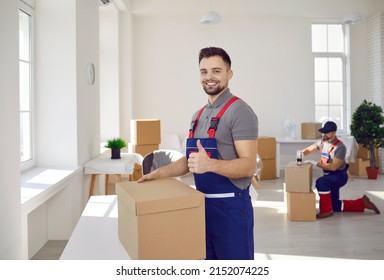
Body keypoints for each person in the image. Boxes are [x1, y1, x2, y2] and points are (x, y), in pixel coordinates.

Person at [138, 47, 259, 260]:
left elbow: (249, 166)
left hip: (231, 208)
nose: (209, 77)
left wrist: (211, 165)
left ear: (229, 74)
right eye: (204, 72)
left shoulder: (240, 111)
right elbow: (191, 161)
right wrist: (159, 174)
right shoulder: (198, 116)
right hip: (200, 206)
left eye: (216, 71)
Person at [302, 121, 380, 219]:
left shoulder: (340, 147)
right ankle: (362, 203)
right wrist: (300, 154)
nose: (324, 134)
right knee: (335, 205)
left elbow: (333, 167)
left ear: (334, 132)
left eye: (327, 132)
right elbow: (309, 150)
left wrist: (315, 163)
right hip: (329, 176)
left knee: (321, 182)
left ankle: (326, 211)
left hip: (338, 176)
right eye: (324, 132)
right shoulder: (323, 141)